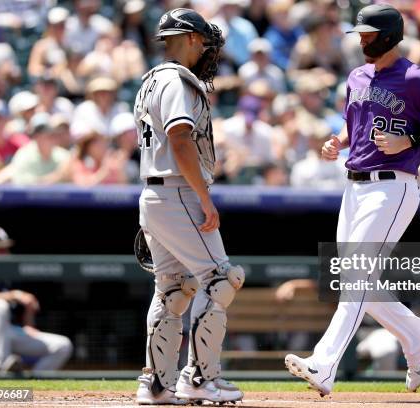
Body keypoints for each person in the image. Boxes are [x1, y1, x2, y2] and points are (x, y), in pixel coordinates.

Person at [284, 4, 420, 395]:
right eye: (360, 33)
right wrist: (338, 141)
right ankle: (419, 336)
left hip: (392, 185)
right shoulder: (357, 76)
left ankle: (324, 363)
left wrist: (411, 139)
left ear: (388, 36)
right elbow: (354, 124)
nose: (361, 39)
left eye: (368, 33)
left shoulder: (416, 78)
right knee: (356, 278)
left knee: (355, 276)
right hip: (354, 185)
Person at [133, 8, 244, 405]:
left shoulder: (150, 81)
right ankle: (200, 378)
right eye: (205, 42)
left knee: (173, 289)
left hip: (153, 195)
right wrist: (204, 196)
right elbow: (179, 139)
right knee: (221, 280)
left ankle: (157, 384)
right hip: (179, 191)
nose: (209, 50)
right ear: (192, 39)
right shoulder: (179, 81)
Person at [0, 227, 73, 375]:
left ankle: (33, 385)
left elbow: (20, 313)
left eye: (6, 250)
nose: (5, 254)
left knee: (62, 345)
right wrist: (14, 295)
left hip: (4, 335)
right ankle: (2, 366)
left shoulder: (9, 275)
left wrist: (28, 323)